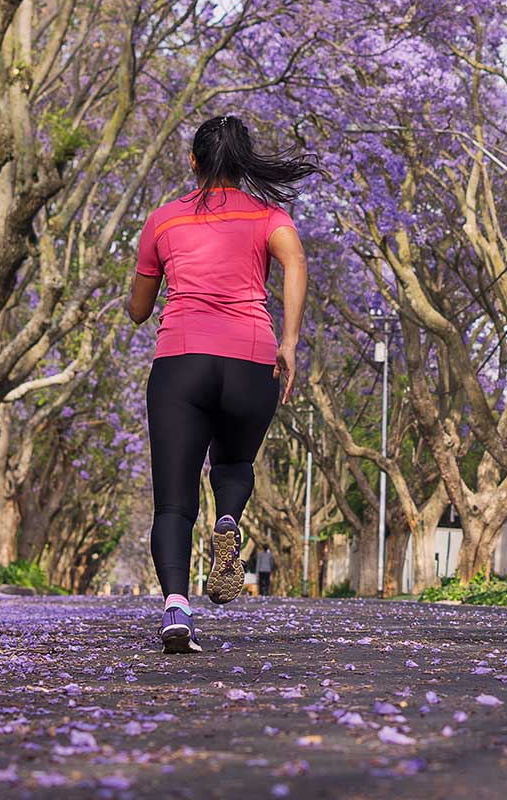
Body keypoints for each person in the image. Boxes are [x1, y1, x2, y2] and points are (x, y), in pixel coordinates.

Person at [128, 115, 313, 653]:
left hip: (182, 361)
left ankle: (177, 612)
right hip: (252, 358)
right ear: (243, 163)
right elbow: (296, 262)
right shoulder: (270, 218)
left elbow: (139, 311)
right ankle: (228, 517)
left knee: (173, 503)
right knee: (234, 465)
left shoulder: (164, 221)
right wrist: (290, 341)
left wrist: (146, 290)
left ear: (194, 162)